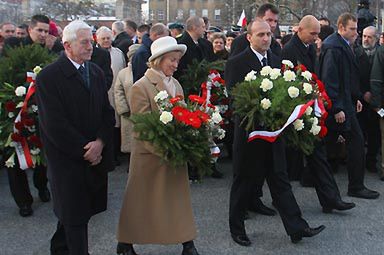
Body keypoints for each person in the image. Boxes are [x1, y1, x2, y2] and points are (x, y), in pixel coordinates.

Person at [226, 19, 325, 246]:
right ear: (249, 37)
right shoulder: (237, 63)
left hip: (274, 133)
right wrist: (260, 108)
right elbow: (234, 99)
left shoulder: (278, 61)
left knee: (280, 180)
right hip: (250, 134)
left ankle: (297, 228)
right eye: (260, 34)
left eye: (268, 34)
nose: (266, 38)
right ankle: (237, 228)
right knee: (244, 181)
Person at [35, 20, 115, 255]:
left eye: (91, 41)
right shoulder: (49, 77)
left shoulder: (96, 72)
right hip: (67, 160)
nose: (90, 47)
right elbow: (54, 124)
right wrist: (86, 150)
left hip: (94, 156)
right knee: (75, 217)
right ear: (67, 45)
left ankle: (59, 249)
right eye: (84, 43)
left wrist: (100, 142)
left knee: (77, 214)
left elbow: (106, 113)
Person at [116, 36, 200, 255]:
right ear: (158, 60)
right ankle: (125, 242)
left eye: (177, 60)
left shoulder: (177, 84)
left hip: (173, 154)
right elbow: (142, 127)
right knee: (140, 203)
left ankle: (187, 242)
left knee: (178, 201)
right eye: (171, 60)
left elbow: (182, 117)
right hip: (150, 156)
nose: (175, 64)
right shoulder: (140, 87)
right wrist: (166, 151)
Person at [282, 15, 355, 213]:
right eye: (312, 33)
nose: (316, 38)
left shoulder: (310, 47)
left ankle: (330, 199)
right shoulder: (289, 50)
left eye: (317, 34)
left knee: (318, 155)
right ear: (300, 30)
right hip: (297, 111)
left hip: (310, 108)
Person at [319, 13, 380, 199]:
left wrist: (356, 98)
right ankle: (354, 187)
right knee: (352, 143)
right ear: (341, 27)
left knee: (344, 143)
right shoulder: (334, 48)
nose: (357, 33)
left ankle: (351, 187)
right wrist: (337, 107)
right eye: (353, 29)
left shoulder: (342, 45)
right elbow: (330, 80)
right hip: (339, 105)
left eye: (356, 29)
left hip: (346, 103)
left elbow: (348, 78)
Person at [96, 26, 126, 166]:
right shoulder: (95, 54)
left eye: (108, 38)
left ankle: (116, 153)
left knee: (117, 124)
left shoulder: (118, 53)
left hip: (117, 92)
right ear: (97, 39)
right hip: (104, 94)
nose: (106, 41)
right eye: (103, 38)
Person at [355, 26, 381, 175]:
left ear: (376, 38)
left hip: (376, 100)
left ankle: (371, 160)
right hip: (360, 98)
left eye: (369, 37)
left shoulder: (380, 53)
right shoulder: (356, 52)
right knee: (360, 131)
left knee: (374, 133)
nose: (366, 39)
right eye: (364, 36)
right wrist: (362, 92)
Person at [113, 44, 141, 171]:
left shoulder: (144, 70)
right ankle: (131, 162)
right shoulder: (123, 73)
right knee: (130, 138)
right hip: (128, 112)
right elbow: (118, 91)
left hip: (141, 110)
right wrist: (123, 108)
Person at [174, 15, 216, 81]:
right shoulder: (178, 44)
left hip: (206, 85)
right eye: (203, 27)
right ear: (194, 27)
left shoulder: (207, 44)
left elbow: (213, 64)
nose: (205, 30)